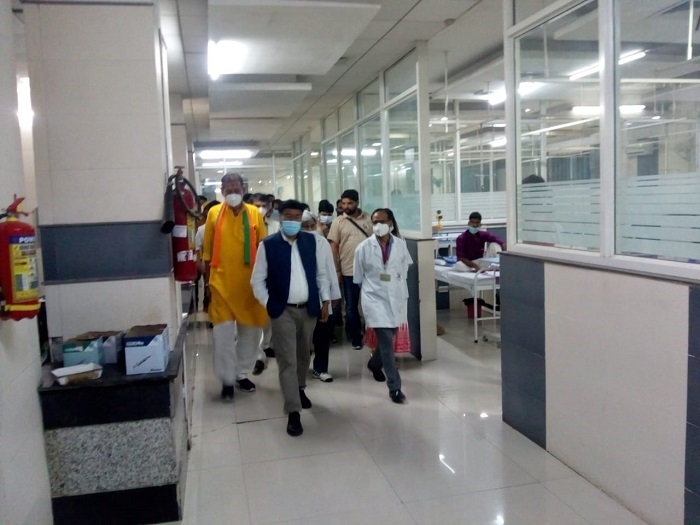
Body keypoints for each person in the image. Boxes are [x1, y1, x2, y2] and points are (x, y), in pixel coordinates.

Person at [251, 200, 331, 437]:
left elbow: (321, 274)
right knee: (287, 359)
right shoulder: (268, 245)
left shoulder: (312, 242)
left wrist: (325, 300)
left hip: (309, 308)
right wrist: (269, 304)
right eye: (288, 216)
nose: (293, 221)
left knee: (304, 354)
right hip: (282, 310)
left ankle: (299, 388)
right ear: (280, 217)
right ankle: (293, 411)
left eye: (297, 217)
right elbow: (257, 280)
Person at [202, 173, 268, 401]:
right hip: (221, 285)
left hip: (249, 286)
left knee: (251, 334)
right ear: (222, 191)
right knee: (222, 336)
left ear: (243, 189)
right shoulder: (213, 213)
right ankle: (227, 380)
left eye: (236, 188)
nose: (232, 192)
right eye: (228, 189)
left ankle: (241, 373)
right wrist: (207, 286)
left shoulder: (254, 213)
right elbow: (206, 253)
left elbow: (263, 249)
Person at [353, 208, 412, 404]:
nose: (378, 225)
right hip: (374, 298)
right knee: (386, 342)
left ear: (391, 223)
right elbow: (358, 277)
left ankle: (374, 363)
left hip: (395, 297)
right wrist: (375, 289)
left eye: (382, 221)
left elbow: (404, 270)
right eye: (375, 222)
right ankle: (395, 387)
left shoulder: (401, 245)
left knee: (389, 336)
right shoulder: (363, 247)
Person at [327, 189, 373, 349]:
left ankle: (371, 335)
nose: (346, 206)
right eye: (344, 203)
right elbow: (334, 246)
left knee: (370, 304)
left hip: (369, 270)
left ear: (357, 203)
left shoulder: (368, 219)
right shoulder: (338, 222)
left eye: (350, 203)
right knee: (351, 306)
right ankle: (355, 337)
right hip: (348, 270)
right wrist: (337, 270)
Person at [301, 210, 341, 383]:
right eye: (306, 227)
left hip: (322, 296)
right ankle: (300, 369)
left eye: (312, 226)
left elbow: (330, 270)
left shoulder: (321, 242)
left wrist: (334, 294)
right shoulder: (291, 244)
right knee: (301, 338)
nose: (311, 229)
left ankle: (321, 368)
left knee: (322, 334)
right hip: (301, 297)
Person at [250, 194, 278, 375]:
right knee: (255, 315)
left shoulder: (276, 226)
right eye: (256, 205)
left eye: (263, 205)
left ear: (269, 207)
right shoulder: (245, 226)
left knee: (268, 313)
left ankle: (266, 345)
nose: (260, 209)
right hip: (249, 273)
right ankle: (258, 356)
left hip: (272, 273)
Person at [195, 200, 218, 313]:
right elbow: (196, 249)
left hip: (224, 264)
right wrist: (199, 264)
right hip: (208, 264)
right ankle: (209, 310)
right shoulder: (202, 229)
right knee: (208, 288)